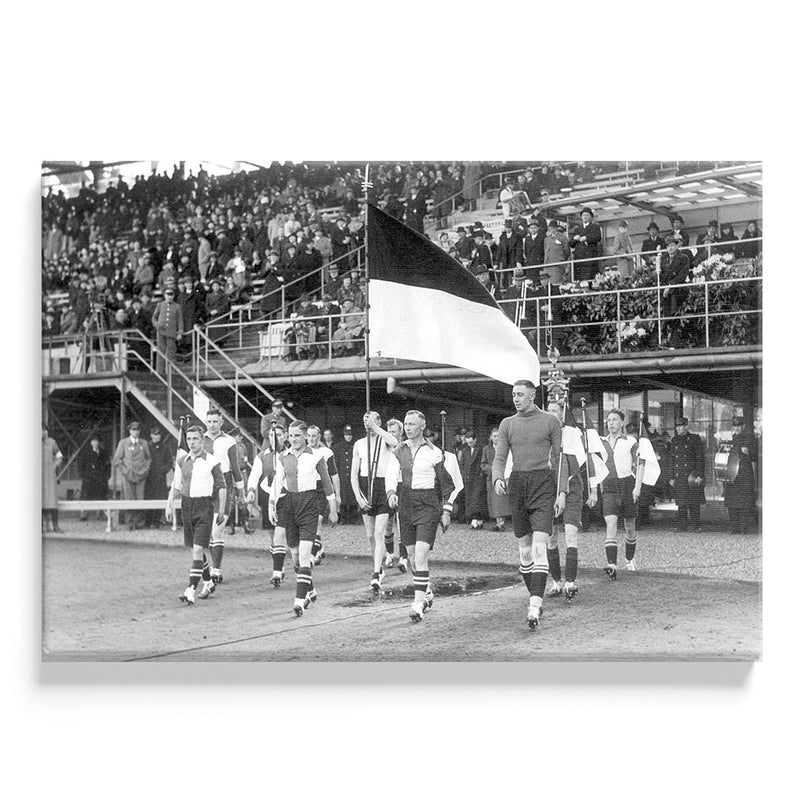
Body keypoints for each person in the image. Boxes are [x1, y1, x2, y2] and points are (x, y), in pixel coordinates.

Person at [491, 380, 562, 631]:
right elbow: (500, 457)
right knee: (525, 549)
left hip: (543, 482)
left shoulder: (551, 421)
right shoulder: (507, 424)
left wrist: (561, 492)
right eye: (513, 395)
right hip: (518, 483)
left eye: (520, 394)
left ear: (533, 395)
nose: (516, 398)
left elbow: (559, 459)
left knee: (540, 546)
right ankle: (536, 595)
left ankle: (534, 604)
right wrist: (498, 477)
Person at [385, 410, 455, 623]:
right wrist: (391, 493)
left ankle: (417, 604)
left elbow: (447, 485)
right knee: (413, 557)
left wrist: (446, 510)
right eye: (406, 424)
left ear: (422, 427)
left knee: (421, 554)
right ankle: (426, 592)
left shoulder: (435, 452)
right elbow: (390, 474)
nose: (407, 428)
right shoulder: (399, 450)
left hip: (427, 504)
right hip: (405, 503)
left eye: (412, 424)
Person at [268, 420, 338, 616]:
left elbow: (327, 484)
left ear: (305, 436)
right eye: (290, 436)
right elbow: (277, 482)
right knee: (297, 558)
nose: (293, 439)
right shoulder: (283, 457)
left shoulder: (316, 456)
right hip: (289, 505)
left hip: (309, 504)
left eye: (297, 435)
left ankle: (299, 601)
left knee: (306, 554)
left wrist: (333, 509)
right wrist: (272, 505)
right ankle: (310, 589)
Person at [166, 425, 227, 605]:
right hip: (187, 506)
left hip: (205, 507)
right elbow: (176, 486)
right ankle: (207, 582)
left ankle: (190, 589)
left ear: (202, 441)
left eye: (195, 439)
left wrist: (221, 510)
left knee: (199, 549)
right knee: (195, 550)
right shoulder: (182, 461)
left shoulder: (212, 461)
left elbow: (222, 486)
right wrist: (168, 505)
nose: (191, 442)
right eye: (189, 439)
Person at [544, 398, 597, 600]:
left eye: (554, 410)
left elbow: (587, 461)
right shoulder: (545, 433)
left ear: (562, 413)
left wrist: (593, 490)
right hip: (550, 489)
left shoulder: (572, 434)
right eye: (548, 410)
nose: (550, 413)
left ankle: (571, 582)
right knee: (551, 537)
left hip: (573, 488)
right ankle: (556, 581)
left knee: (571, 534)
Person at [350, 411, 399, 591]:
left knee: (379, 533)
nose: (367, 422)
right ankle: (378, 563)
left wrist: (376, 428)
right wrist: (358, 496)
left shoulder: (384, 440)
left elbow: (395, 442)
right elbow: (353, 475)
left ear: (378, 421)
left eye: (371, 419)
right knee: (370, 535)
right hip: (365, 487)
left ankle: (376, 572)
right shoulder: (359, 444)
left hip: (382, 486)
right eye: (365, 419)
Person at [598, 409, 643, 579]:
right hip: (609, 486)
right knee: (611, 524)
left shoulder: (630, 441)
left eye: (615, 420)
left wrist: (637, 487)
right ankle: (612, 565)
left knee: (629, 527)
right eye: (609, 420)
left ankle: (630, 559)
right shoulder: (601, 442)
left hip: (627, 485)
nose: (611, 423)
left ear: (622, 422)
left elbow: (640, 464)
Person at [202, 407, 246, 585]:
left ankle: (217, 569)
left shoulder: (229, 442)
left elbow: (236, 469)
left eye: (215, 421)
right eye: (209, 421)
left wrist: (241, 494)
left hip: (225, 486)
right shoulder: (201, 440)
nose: (212, 425)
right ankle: (212, 568)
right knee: (209, 533)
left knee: (216, 529)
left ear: (221, 422)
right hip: (206, 487)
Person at [247, 421, 290, 586]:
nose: (276, 438)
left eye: (279, 435)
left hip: (285, 496)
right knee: (273, 535)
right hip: (267, 496)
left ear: (285, 436)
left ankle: (277, 572)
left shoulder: (289, 454)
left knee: (280, 534)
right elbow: (254, 475)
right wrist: (251, 490)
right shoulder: (262, 456)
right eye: (273, 435)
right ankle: (279, 566)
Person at [307, 424, 341, 566]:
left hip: (322, 489)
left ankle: (312, 554)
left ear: (319, 437)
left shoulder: (326, 452)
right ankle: (318, 548)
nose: (311, 439)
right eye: (308, 436)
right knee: (311, 524)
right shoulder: (303, 452)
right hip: (308, 489)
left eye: (314, 436)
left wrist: (337, 496)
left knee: (318, 520)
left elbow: (334, 474)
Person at [666, 416, 705, 531]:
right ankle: (682, 526)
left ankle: (696, 526)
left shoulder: (694, 439)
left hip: (691, 475)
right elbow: (671, 460)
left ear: (686, 426)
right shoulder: (674, 440)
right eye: (677, 426)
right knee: (681, 503)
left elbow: (700, 458)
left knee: (693, 502)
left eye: (681, 426)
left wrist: (699, 475)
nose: (678, 429)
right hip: (679, 475)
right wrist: (671, 477)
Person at [111, 421, 151, 530]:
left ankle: (139, 523)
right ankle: (129, 523)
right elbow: (117, 460)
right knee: (129, 499)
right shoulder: (123, 443)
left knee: (140, 499)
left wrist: (145, 470)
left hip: (141, 475)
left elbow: (148, 458)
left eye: (137, 430)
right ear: (129, 431)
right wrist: (125, 471)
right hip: (128, 476)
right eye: (133, 430)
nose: (136, 432)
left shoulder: (144, 443)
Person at [724, 416, 757, 535]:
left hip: (744, 474)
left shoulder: (750, 438)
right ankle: (734, 528)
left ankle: (743, 528)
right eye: (735, 426)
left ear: (743, 426)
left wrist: (748, 452)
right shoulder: (730, 439)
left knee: (744, 503)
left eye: (739, 426)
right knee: (732, 503)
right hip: (732, 474)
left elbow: (755, 456)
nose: (737, 428)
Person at [481, 428, 511, 531]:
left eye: (498, 436)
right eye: (494, 436)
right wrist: (493, 469)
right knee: (494, 501)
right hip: (491, 478)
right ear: (490, 438)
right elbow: (483, 464)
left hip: (503, 476)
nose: (496, 438)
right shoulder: (486, 449)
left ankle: (501, 522)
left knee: (502, 501)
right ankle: (499, 522)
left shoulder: (506, 449)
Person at [144, 426, 174, 527]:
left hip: (160, 477)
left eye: (159, 435)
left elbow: (169, 462)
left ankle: (157, 521)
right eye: (155, 435)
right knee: (148, 497)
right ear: (151, 435)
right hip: (149, 477)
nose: (157, 437)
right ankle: (148, 521)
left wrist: (163, 470)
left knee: (159, 497)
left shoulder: (165, 447)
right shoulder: (147, 446)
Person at [150, 286, 183, 374]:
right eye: (168, 294)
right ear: (164, 295)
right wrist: (157, 325)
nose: (169, 296)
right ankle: (160, 372)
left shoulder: (177, 306)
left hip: (171, 332)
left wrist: (180, 332)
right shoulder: (160, 305)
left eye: (171, 294)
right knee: (160, 351)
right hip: (161, 331)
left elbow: (180, 321)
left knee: (170, 352)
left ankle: (171, 372)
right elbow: (154, 317)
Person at [458, 429, 487, 529]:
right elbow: (462, 464)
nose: (469, 444)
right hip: (468, 479)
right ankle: (477, 520)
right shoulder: (465, 450)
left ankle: (476, 520)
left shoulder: (482, 448)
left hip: (478, 477)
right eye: (468, 442)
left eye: (471, 442)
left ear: (475, 440)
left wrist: (481, 474)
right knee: (470, 500)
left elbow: (483, 462)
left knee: (477, 500)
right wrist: (463, 475)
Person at [77, 433, 109, 520]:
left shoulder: (104, 452)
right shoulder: (86, 452)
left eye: (97, 441)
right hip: (88, 478)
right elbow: (81, 465)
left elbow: (108, 465)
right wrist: (83, 475)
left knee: (101, 495)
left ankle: (100, 514)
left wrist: (106, 476)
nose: (96, 443)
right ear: (91, 442)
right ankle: (84, 514)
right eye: (94, 441)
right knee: (85, 496)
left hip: (100, 478)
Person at [333, 423, 358, 524]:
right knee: (343, 498)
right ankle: (342, 518)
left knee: (352, 497)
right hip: (342, 477)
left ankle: (353, 518)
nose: (348, 437)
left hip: (352, 476)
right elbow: (337, 463)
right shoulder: (338, 447)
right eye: (347, 435)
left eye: (350, 435)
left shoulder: (355, 446)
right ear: (344, 435)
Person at [570, 207, 603, 282]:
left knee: (589, 278)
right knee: (579, 280)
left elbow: (598, 237)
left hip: (589, 258)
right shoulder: (577, 229)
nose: (585, 217)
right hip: (579, 259)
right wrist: (575, 239)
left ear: (591, 217)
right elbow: (571, 244)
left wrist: (586, 238)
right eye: (583, 215)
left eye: (587, 215)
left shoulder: (595, 227)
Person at [42, 425, 64, 532]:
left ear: (45, 431)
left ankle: (56, 526)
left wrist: (55, 465)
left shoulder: (52, 442)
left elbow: (60, 456)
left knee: (53, 500)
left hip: (50, 477)